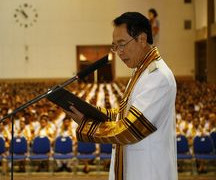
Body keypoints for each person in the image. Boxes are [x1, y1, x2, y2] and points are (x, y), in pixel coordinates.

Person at [65, 12, 177, 180]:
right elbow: (123, 116)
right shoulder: (140, 71)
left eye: (122, 44)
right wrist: (91, 111)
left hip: (149, 172)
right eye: (115, 46)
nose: (118, 52)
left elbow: (130, 128)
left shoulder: (158, 76)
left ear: (142, 39)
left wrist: (88, 125)